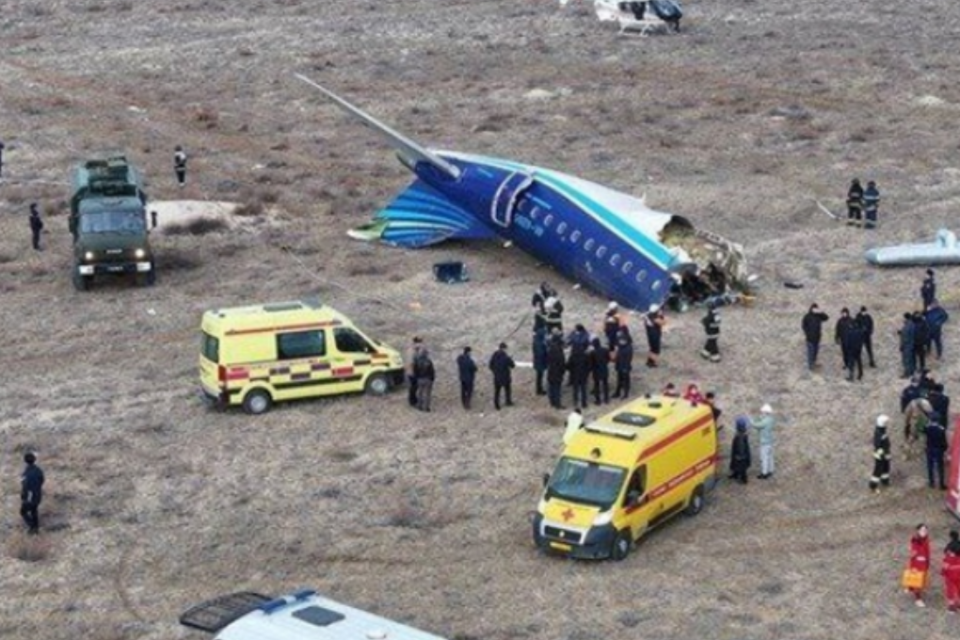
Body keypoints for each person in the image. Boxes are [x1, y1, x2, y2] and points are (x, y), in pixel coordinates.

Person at [906, 524, 931, 607]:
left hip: (923, 563)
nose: (924, 531)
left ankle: (910, 587)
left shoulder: (926, 539)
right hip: (917, 563)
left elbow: (927, 551)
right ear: (918, 530)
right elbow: (913, 552)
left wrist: (927, 561)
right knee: (917, 581)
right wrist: (915, 559)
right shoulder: (915, 539)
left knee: (920, 579)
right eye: (922, 530)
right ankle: (918, 599)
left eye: (925, 530)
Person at [566, 326, 591, 409]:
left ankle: (575, 401)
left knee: (576, 389)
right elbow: (588, 365)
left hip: (575, 374)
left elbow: (569, 365)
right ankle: (584, 403)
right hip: (583, 374)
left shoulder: (573, 356)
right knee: (583, 389)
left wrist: (571, 371)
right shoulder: (585, 356)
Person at [20, 452, 44, 535]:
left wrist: (24, 496)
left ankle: (32, 527)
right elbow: (42, 480)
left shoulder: (26, 473)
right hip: (38, 494)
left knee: (23, 512)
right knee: (34, 510)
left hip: (30, 496)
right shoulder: (38, 470)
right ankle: (36, 529)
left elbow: (25, 485)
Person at [751, 404, 776, 479]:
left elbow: (756, 425)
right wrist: (759, 418)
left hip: (764, 443)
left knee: (764, 458)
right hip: (770, 441)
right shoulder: (771, 419)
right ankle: (771, 470)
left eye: (762, 412)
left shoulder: (765, 421)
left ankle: (764, 473)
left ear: (765, 413)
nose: (761, 413)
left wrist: (751, 421)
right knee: (770, 457)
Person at [801, 304, 830, 370]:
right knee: (810, 352)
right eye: (814, 308)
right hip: (810, 338)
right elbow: (803, 325)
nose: (815, 310)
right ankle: (810, 366)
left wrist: (821, 312)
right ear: (811, 309)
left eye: (816, 308)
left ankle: (813, 363)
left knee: (815, 352)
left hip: (817, 337)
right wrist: (807, 333)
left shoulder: (819, 316)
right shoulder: (807, 316)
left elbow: (826, 318)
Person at [489, 342, 515, 410]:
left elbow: (490, 365)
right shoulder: (506, 357)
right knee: (507, 390)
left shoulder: (494, 355)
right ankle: (508, 401)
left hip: (497, 376)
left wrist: (495, 371)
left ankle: (496, 404)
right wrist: (510, 359)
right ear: (504, 349)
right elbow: (512, 365)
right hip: (505, 376)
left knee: (497, 391)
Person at [924, 413, 948, 490]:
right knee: (940, 467)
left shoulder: (927, 428)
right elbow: (943, 441)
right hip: (938, 450)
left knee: (930, 466)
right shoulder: (941, 429)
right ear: (938, 420)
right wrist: (945, 449)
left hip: (929, 449)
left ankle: (931, 483)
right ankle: (941, 484)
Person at [869, 415, 891, 493]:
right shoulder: (880, 434)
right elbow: (879, 445)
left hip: (884, 453)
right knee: (878, 470)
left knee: (886, 467)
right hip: (880, 454)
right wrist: (884, 453)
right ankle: (873, 486)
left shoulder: (880, 431)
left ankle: (885, 480)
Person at [840, 315, 865, 382]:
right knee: (859, 361)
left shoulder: (849, 332)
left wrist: (847, 349)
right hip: (858, 349)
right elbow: (862, 341)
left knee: (851, 363)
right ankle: (860, 374)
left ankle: (851, 377)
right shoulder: (860, 331)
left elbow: (847, 342)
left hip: (851, 349)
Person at [546, 334, 566, 409]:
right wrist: (563, 370)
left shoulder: (550, 349)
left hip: (551, 371)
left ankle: (552, 402)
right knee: (557, 388)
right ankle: (557, 404)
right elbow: (561, 363)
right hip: (557, 373)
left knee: (551, 387)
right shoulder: (559, 352)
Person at [729, 417, 751, 484]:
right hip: (739, 455)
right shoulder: (741, 435)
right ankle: (735, 474)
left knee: (742, 468)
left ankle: (744, 479)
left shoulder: (740, 436)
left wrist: (740, 456)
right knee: (736, 465)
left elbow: (741, 447)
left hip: (740, 456)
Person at [589, 337, 610, 405]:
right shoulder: (605, 350)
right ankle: (606, 399)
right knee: (605, 384)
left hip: (596, 371)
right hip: (604, 369)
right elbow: (608, 359)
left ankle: (598, 400)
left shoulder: (592, 352)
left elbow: (591, 363)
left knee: (597, 386)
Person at [943, 532, 960, 613]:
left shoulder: (949, 555)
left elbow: (945, 566)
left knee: (950, 590)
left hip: (950, 574)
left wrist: (943, 571)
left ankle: (951, 606)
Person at [613, 334, 633, 399]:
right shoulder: (620, 346)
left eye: (622, 340)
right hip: (619, 366)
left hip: (625, 367)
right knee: (619, 380)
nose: (620, 341)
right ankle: (617, 392)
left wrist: (625, 368)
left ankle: (625, 394)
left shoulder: (628, 348)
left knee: (626, 381)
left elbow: (628, 359)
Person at [456, 346, 477, 410]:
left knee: (463, 391)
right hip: (469, 378)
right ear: (468, 352)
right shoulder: (470, 360)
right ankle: (467, 404)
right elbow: (474, 368)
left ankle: (463, 402)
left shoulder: (460, 359)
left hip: (462, 377)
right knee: (469, 391)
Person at [406, 336, 423, 407]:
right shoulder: (412, 351)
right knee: (413, 387)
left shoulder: (413, 349)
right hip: (412, 372)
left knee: (414, 386)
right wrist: (413, 371)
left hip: (412, 371)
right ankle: (412, 401)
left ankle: (413, 399)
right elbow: (411, 362)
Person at [899, 313, 916, 379]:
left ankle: (907, 373)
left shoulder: (907, 326)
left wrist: (901, 346)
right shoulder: (912, 324)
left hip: (907, 346)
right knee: (911, 359)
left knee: (906, 360)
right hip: (911, 345)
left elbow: (905, 338)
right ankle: (911, 371)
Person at [532, 327, 548, 396]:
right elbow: (540, 353)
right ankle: (539, 390)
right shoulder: (539, 343)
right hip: (540, 362)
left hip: (538, 361)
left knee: (539, 376)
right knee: (539, 376)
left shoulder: (536, 340)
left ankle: (539, 389)